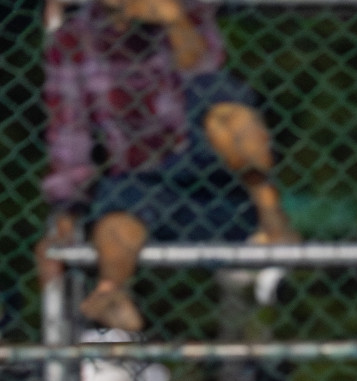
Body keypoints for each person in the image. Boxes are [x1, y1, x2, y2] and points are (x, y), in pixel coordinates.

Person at [39, 0, 298, 334]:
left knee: (228, 110)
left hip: (213, 165)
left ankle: (272, 217)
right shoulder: (74, 39)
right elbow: (69, 132)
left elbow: (209, 78)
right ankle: (112, 292)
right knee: (117, 217)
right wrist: (66, 208)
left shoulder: (187, 9)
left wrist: (176, 23)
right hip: (143, 176)